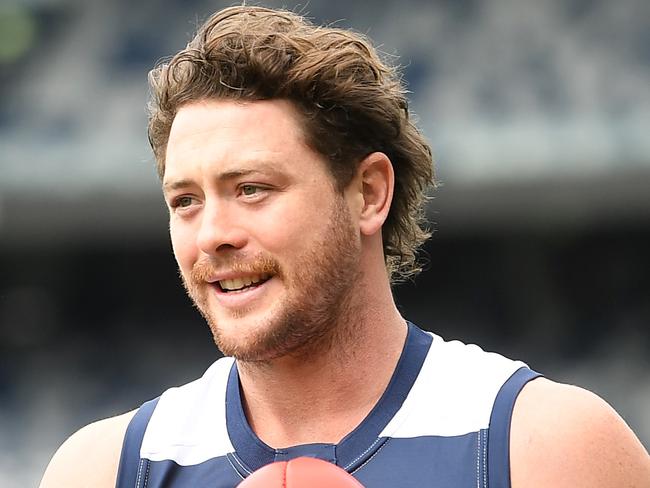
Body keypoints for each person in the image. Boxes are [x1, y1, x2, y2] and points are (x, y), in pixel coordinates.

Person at [40, 5, 649, 488]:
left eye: (251, 189)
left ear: (368, 193)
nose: (212, 235)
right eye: (186, 201)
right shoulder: (105, 471)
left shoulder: (544, 449)